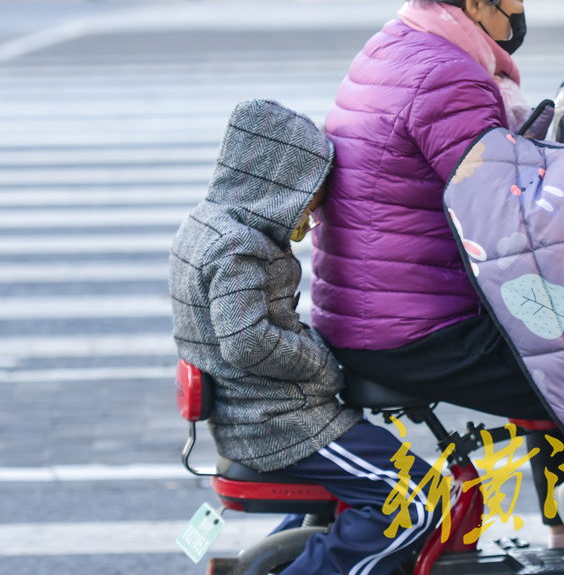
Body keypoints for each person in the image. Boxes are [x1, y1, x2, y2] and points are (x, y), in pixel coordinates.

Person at [310, 0, 564, 571]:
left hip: (374, 309)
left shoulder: (398, 45)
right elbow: (503, 213)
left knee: (558, 378)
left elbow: (470, 171)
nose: (522, 13)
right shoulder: (450, 74)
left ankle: (561, 542)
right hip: (411, 329)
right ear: (476, 1)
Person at [169, 99, 441, 575]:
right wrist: (322, 363)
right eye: (311, 192)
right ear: (279, 182)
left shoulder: (206, 223)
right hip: (280, 423)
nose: (314, 207)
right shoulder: (239, 246)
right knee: (416, 500)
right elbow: (247, 341)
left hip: (254, 412)